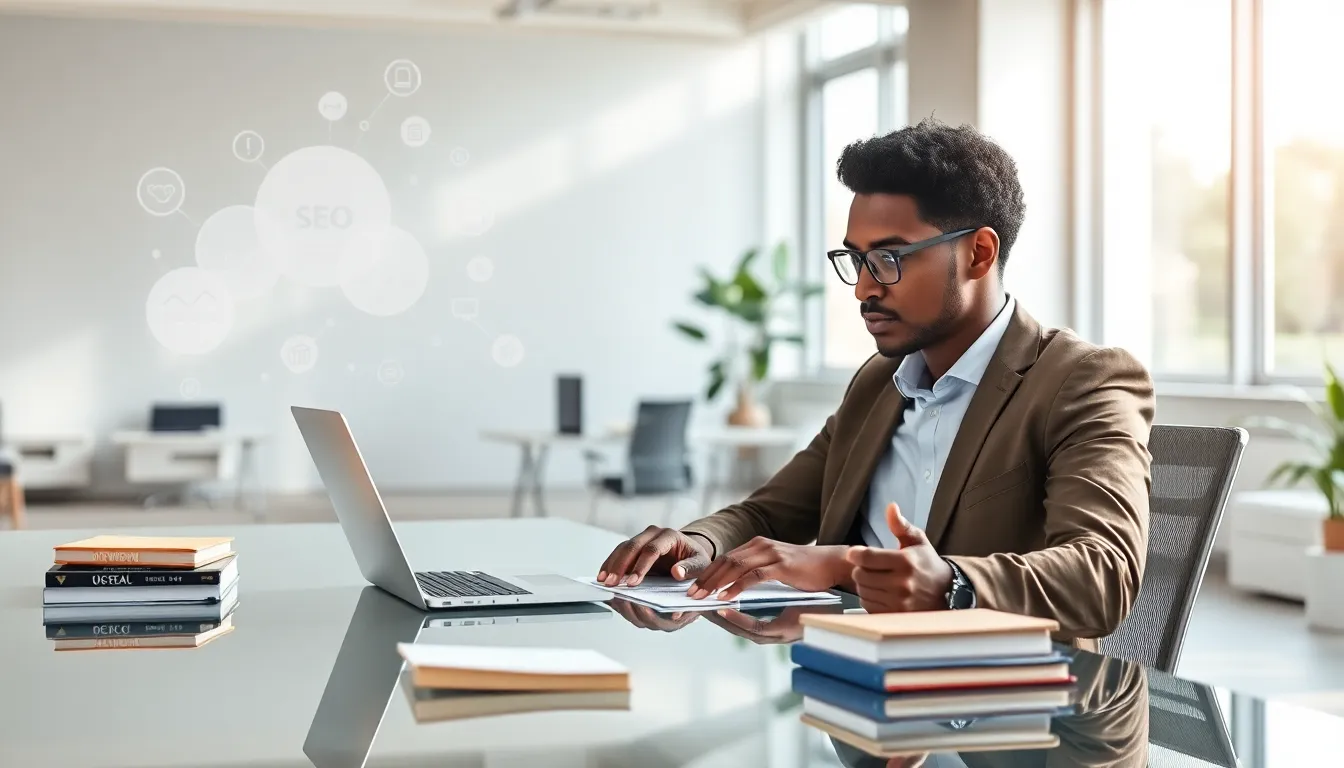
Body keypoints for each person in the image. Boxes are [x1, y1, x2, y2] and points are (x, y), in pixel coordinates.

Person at [596, 117, 1154, 650]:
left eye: (888, 258)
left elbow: (1103, 573)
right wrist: (701, 543)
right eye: (855, 259)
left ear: (979, 253)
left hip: (1018, 716)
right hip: (865, 692)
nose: (863, 288)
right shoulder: (879, 381)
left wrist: (932, 579)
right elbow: (769, 513)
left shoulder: (1083, 379)